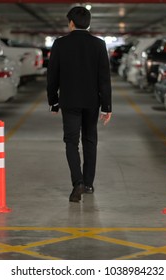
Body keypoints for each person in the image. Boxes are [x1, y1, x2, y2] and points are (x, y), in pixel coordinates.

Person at [47, 6, 112, 203]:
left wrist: (54, 102)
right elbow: (104, 79)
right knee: (90, 140)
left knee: (71, 142)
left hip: (69, 101)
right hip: (92, 102)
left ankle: (78, 183)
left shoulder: (60, 44)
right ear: (89, 23)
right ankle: (89, 184)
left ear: (71, 23)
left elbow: (52, 76)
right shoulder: (99, 45)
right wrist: (107, 106)